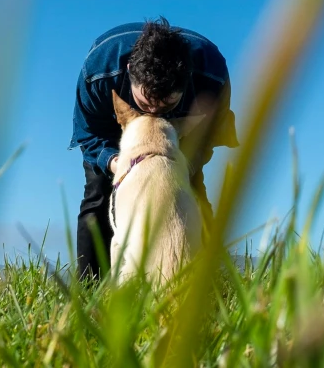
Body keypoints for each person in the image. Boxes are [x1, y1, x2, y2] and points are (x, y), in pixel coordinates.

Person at [68, 17, 239, 280]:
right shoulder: (98, 71)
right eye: (146, 103)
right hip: (117, 129)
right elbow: (89, 135)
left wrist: (184, 167)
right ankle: (89, 291)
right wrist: (119, 166)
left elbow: (209, 137)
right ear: (129, 71)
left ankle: (209, 287)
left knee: (192, 194)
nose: (154, 114)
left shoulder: (212, 78)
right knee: (98, 196)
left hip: (180, 139)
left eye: (166, 106)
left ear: (187, 80)